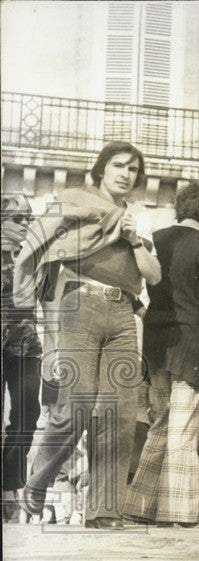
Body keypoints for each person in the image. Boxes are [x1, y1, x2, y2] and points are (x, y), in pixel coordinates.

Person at [18, 141, 160, 529]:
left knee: (120, 414)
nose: (126, 174)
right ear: (102, 169)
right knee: (74, 409)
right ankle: (37, 481)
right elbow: (45, 251)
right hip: (79, 306)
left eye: (133, 169)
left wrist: (133, 239)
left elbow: (154, 275)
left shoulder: (136, 222)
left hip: (122, 314)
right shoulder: (76, 202)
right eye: (119, 165)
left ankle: (104, 511)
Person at [123, 181, 199, 526]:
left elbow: (132, 284)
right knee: (184, 427)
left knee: (161, 425)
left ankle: (140, 505)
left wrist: (143, 313)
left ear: (180, 209)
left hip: (156, 342)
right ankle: (177, 511)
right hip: (191, 344)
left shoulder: (156, 239)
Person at [1, 194, 42, 522]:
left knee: (28, 413)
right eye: (19, 218)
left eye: (29, 218)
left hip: (26, 344)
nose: (27, 223)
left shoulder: (32, 255)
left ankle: (9, 483)